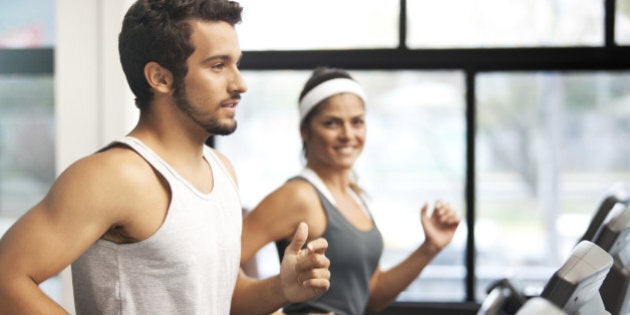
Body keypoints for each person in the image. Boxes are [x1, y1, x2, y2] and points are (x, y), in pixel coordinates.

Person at [0, 1, 330, 314]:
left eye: (236, 64)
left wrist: (282, 289)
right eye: (218, 66)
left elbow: (220, 298)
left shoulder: (222, 169)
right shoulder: (114, 175)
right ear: (160, 78)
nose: (239, 83)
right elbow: (6, 279)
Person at [240, 67, 461, 315]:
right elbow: (218, 263)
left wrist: (429, 248)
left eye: (356, 122)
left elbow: (370, 295)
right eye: (332, 123)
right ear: (305, 130)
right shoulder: (298, 195)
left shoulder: (355, 197)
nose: (347, 134)